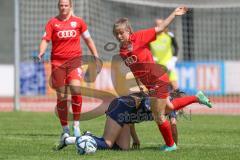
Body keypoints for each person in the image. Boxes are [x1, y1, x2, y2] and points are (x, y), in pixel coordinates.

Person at [112, 6, 188, 151]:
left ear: (128, 31)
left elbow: (160, 28)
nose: (119, 36)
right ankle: (196, 99)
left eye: (121, 33)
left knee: (161, 115)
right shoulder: (122, 51)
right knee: (168, 108)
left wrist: (174, 14)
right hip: (151, 83)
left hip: (160, 77)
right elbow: (135, 69)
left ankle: (171, 145)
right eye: (116, 34)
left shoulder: (141, 36)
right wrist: (140, 85)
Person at [57, 90, 212, 151]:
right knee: (107, 143)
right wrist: (174, 145)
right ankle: (72, 139)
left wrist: (136, 139)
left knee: (122, 149)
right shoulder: (166, 105)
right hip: (120, 106)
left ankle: (85, 136)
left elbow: (131, 118)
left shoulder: (162, 101)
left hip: (124, 110)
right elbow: (173, 126)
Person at [38, 0, 99, 142]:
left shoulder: (79, 22)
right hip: (57, 63)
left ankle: (76, 125)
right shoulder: (52, 23)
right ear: (58, 7)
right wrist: (41, 52)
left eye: (66, 5)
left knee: (76, 90)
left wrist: (95, 55)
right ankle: (65, 129)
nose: (63, 8)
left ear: (70, 6)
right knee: (62, 96)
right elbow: (45, 40)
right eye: (61, 5)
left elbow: (88, 39)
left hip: (74, 61)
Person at [150, 19, 182, 145]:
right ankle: (164, 109)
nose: (158, 26)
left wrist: (173, 59)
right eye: (156, 24)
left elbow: (176, 47)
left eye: (160, 24)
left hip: (169, 67)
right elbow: (146, 49)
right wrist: (152, 58)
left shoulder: (170, 35)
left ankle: (176, 109)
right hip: (158, 69)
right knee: (160, 91)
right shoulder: (152, 37)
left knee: (175, 86)